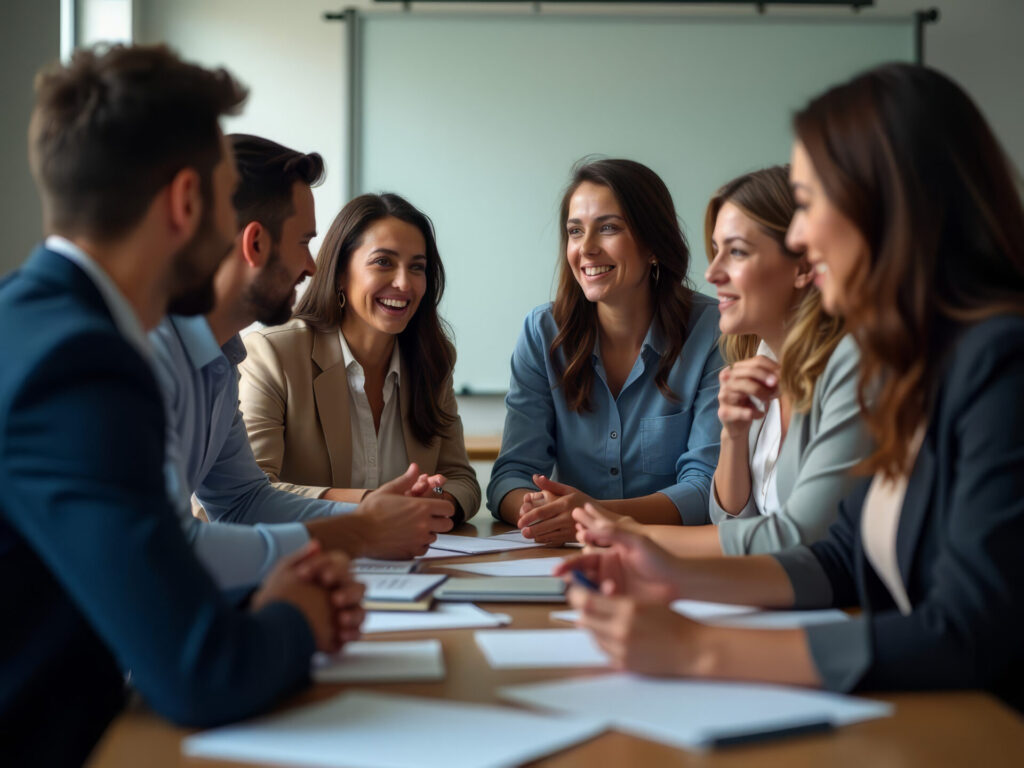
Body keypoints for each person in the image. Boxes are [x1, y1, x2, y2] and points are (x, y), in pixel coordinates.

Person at [557, 63, 1024, 710]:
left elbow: (972, 632)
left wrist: (699, 649)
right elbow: (839, 558)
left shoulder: (1000, 362)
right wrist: (672, 573)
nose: (800, 237)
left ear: (889, 200)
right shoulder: (912, 362)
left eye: (809, 204)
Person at [0, 45, 363, 765]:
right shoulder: (80, 365)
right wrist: (296, 613)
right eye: (225, 202)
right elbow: (199, 672)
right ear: (186, 204)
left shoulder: (32, 318)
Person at [151, 135, 454, 589]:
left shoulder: (219, 359)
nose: (313, 266)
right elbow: (168, 549)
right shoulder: (150, 357)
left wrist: (369, 514)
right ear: (255, 244)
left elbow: (242, 502)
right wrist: (359, 529)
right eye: (304, 242)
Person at [573, 166, 871, 556]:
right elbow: (730, 520)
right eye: (716, 251)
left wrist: (633, 534)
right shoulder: (757, 358)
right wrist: (732, 434)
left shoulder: (850, 366)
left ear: (803, 263)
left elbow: (802, 541)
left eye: (737, 252)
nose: (712, 272)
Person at [486, 158, 722, 544]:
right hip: (569, 558)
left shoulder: (712, 330)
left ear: (653, 245)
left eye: (609, 228)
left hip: (676, 557)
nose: (587, 249)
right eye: (575, 232)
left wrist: (588, 514)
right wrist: (535, 512)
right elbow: (511, 475)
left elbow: (706, 489)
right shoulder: (543, 332)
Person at [238, 193, 480, 526]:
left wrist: (435, 500)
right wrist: (368, 504)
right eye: (383, 262)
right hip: (304, 561)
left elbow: (461, 479)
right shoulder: (274, 354)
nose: (403, 282)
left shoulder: (432, 360)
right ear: (339, 273)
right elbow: (247, 493)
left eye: (417, 267)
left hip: (410, 565)